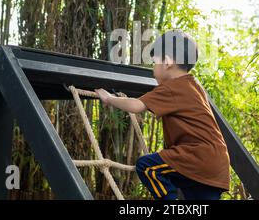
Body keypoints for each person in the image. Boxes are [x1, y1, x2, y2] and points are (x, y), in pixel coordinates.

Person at [95, 29, 230, 200]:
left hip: (197, 159)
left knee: (147, 166)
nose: (153, 69)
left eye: (154, 62)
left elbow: (136, 105)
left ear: (167, 62)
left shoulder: (172, 88)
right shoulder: (194, 85)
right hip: (215, 166)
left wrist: (109, 98)